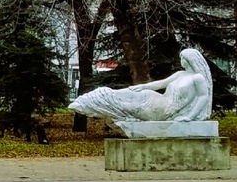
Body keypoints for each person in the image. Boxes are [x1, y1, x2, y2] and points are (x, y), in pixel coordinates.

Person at [71, 48, 213, 126]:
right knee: (133, 93)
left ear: (189, 60)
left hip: (166, 110)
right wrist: (143, 86)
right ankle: (95, 98)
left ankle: (95, 104)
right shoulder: (180, 74)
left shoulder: (197, 78)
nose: (181, 60)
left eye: (183, 58)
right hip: (159, 99)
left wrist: (189, 117)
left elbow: (203, 98)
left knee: (131, 107)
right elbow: (161, 84)